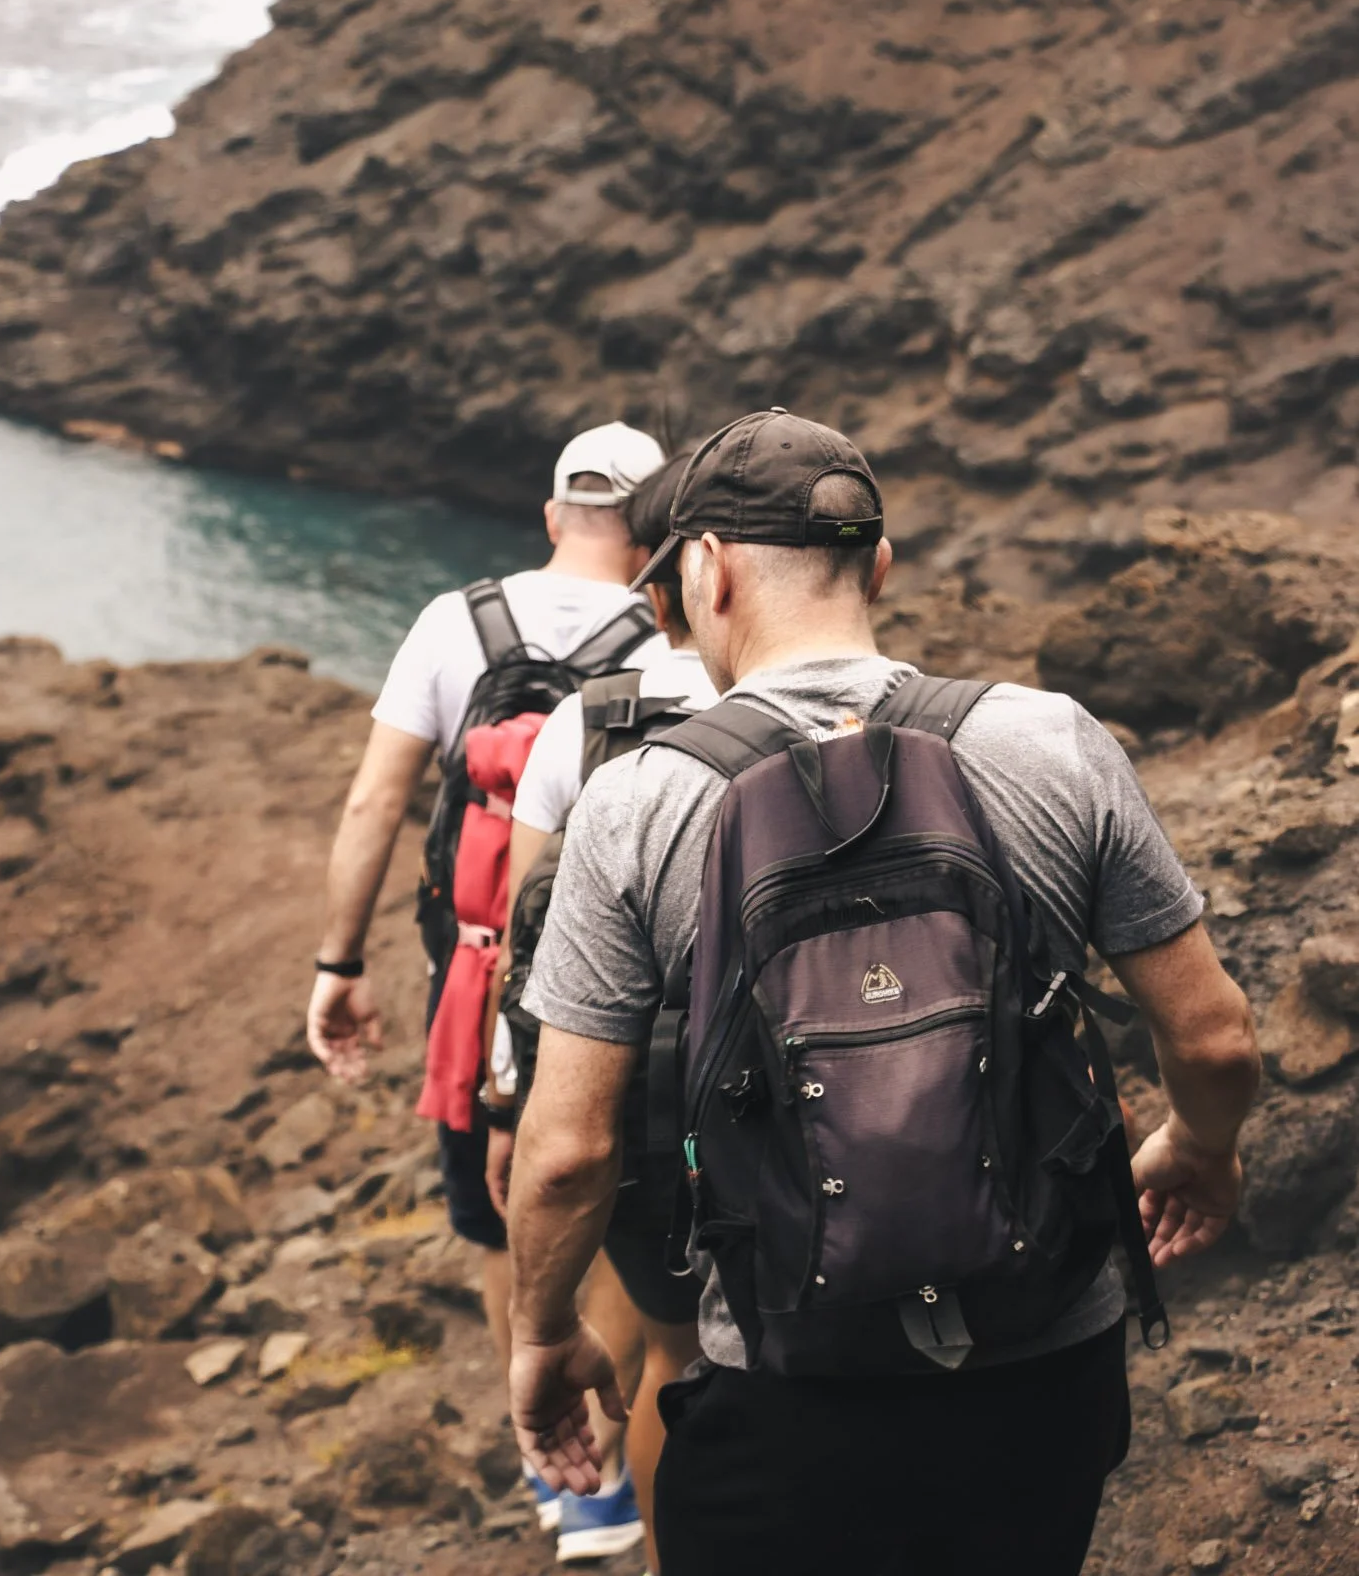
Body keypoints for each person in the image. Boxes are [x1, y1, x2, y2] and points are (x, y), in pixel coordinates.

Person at [503, 409, 1262, 1576]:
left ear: (702, 568)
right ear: (881, 564)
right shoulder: (1050, 740)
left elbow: (566, 1152)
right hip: (1040, 1371)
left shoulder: (639, 802)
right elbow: (1213, 1037)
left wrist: (543, 1329)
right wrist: (1197, 1150)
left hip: (784, 1387)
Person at [305, 419, 666, 1407]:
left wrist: (339, 963)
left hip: (476, 980)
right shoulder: (666, 638)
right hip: (627, 981)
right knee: (625, 1210)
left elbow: (374, 800)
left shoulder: (452, 618)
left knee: (504, 1211)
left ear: (553, 514)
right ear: (651, 532)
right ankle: (628, 1434)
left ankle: (557, 1458)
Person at [486, 453, 714, 1568]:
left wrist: (505, 1104)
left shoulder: (589, 724)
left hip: (648, 1101)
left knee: (677, 1347)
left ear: (652, 587)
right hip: (835, 1098)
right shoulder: (884, 715)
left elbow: (528, 937)